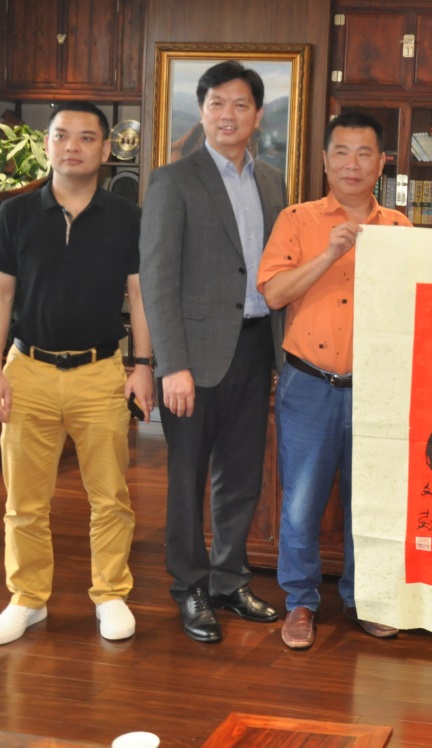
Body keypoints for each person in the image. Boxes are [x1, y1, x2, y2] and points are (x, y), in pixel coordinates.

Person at [0, 101, 154, 646]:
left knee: (111, 497)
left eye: (86, 137)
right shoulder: (15, 215)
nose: (72, 146)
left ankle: (111, 594)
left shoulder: (128, 217)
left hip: (100, 373)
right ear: (47, 144)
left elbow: (139, 296)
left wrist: (143, 366)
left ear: (107, 149)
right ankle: (27, 599)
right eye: (61, 135)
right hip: (26, 371)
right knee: (24, 502)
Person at [140, 60, 286, 643]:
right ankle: (189, 587)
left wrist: (279, 357)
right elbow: (157, 279)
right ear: (202, 113)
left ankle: (229, 579)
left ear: (257, 115)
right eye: (217, 104)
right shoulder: (173, 181)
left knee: (242, 476)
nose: (229, 115)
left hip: (255, 347)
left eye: (241, 105)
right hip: (193, 359)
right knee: (187, 477)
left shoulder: (271, 181)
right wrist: (170, 364)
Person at [258, 112, 412, 649]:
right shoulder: (297, 219)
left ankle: (365, 599)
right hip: (308, 384)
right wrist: (330, 252)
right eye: (341, 152)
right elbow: (273, 295)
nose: (352, 164)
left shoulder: (400, 229)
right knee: (300, 504)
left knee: (369, 501)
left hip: (377, 388)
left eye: (364, 153)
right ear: (324, 160)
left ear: (381, 163)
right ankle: (300, 603)